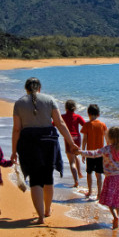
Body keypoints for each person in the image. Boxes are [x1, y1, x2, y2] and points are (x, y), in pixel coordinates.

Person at [11, 77, 78, 224]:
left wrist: (13, 151)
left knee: (35, 179)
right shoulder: (49, 100)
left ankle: (40, 217)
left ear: (26, 89)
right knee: (48, 178)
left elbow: (17, 129)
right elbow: (60, 123)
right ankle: (47, 211)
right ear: (40, 88)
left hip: (29, 143)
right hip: (49, 142)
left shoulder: (19, 103)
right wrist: (71, 143)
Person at [78, 126, 119, 229]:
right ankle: (117, 218)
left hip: (110, 178)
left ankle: (115, 217)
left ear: (109, 137)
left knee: (110, 200)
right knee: (118, 198)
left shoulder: (107, 149)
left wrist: (80, 152)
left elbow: (94, 154)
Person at [80, 104, 108, 199]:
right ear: (98, 114)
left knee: (89, 173)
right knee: (99, 174)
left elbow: (84, 140)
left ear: (88, 114)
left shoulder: (87, 125)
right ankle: (99, 194)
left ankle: (90, 191)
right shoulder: (102, 125)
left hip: (90, 154)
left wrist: (83, 152)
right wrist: (107, 151)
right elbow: (107, 139)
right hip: (100, 153)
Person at [61, 100, 86, 188]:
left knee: (72, 162)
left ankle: (76, 181)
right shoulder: (78, 116)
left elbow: (54, 124)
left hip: (69, 139)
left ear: (66, 108)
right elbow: (85, 125)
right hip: (77, 138)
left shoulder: (62, 117)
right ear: (74, 108)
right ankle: (79, 172)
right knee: (76, 156)